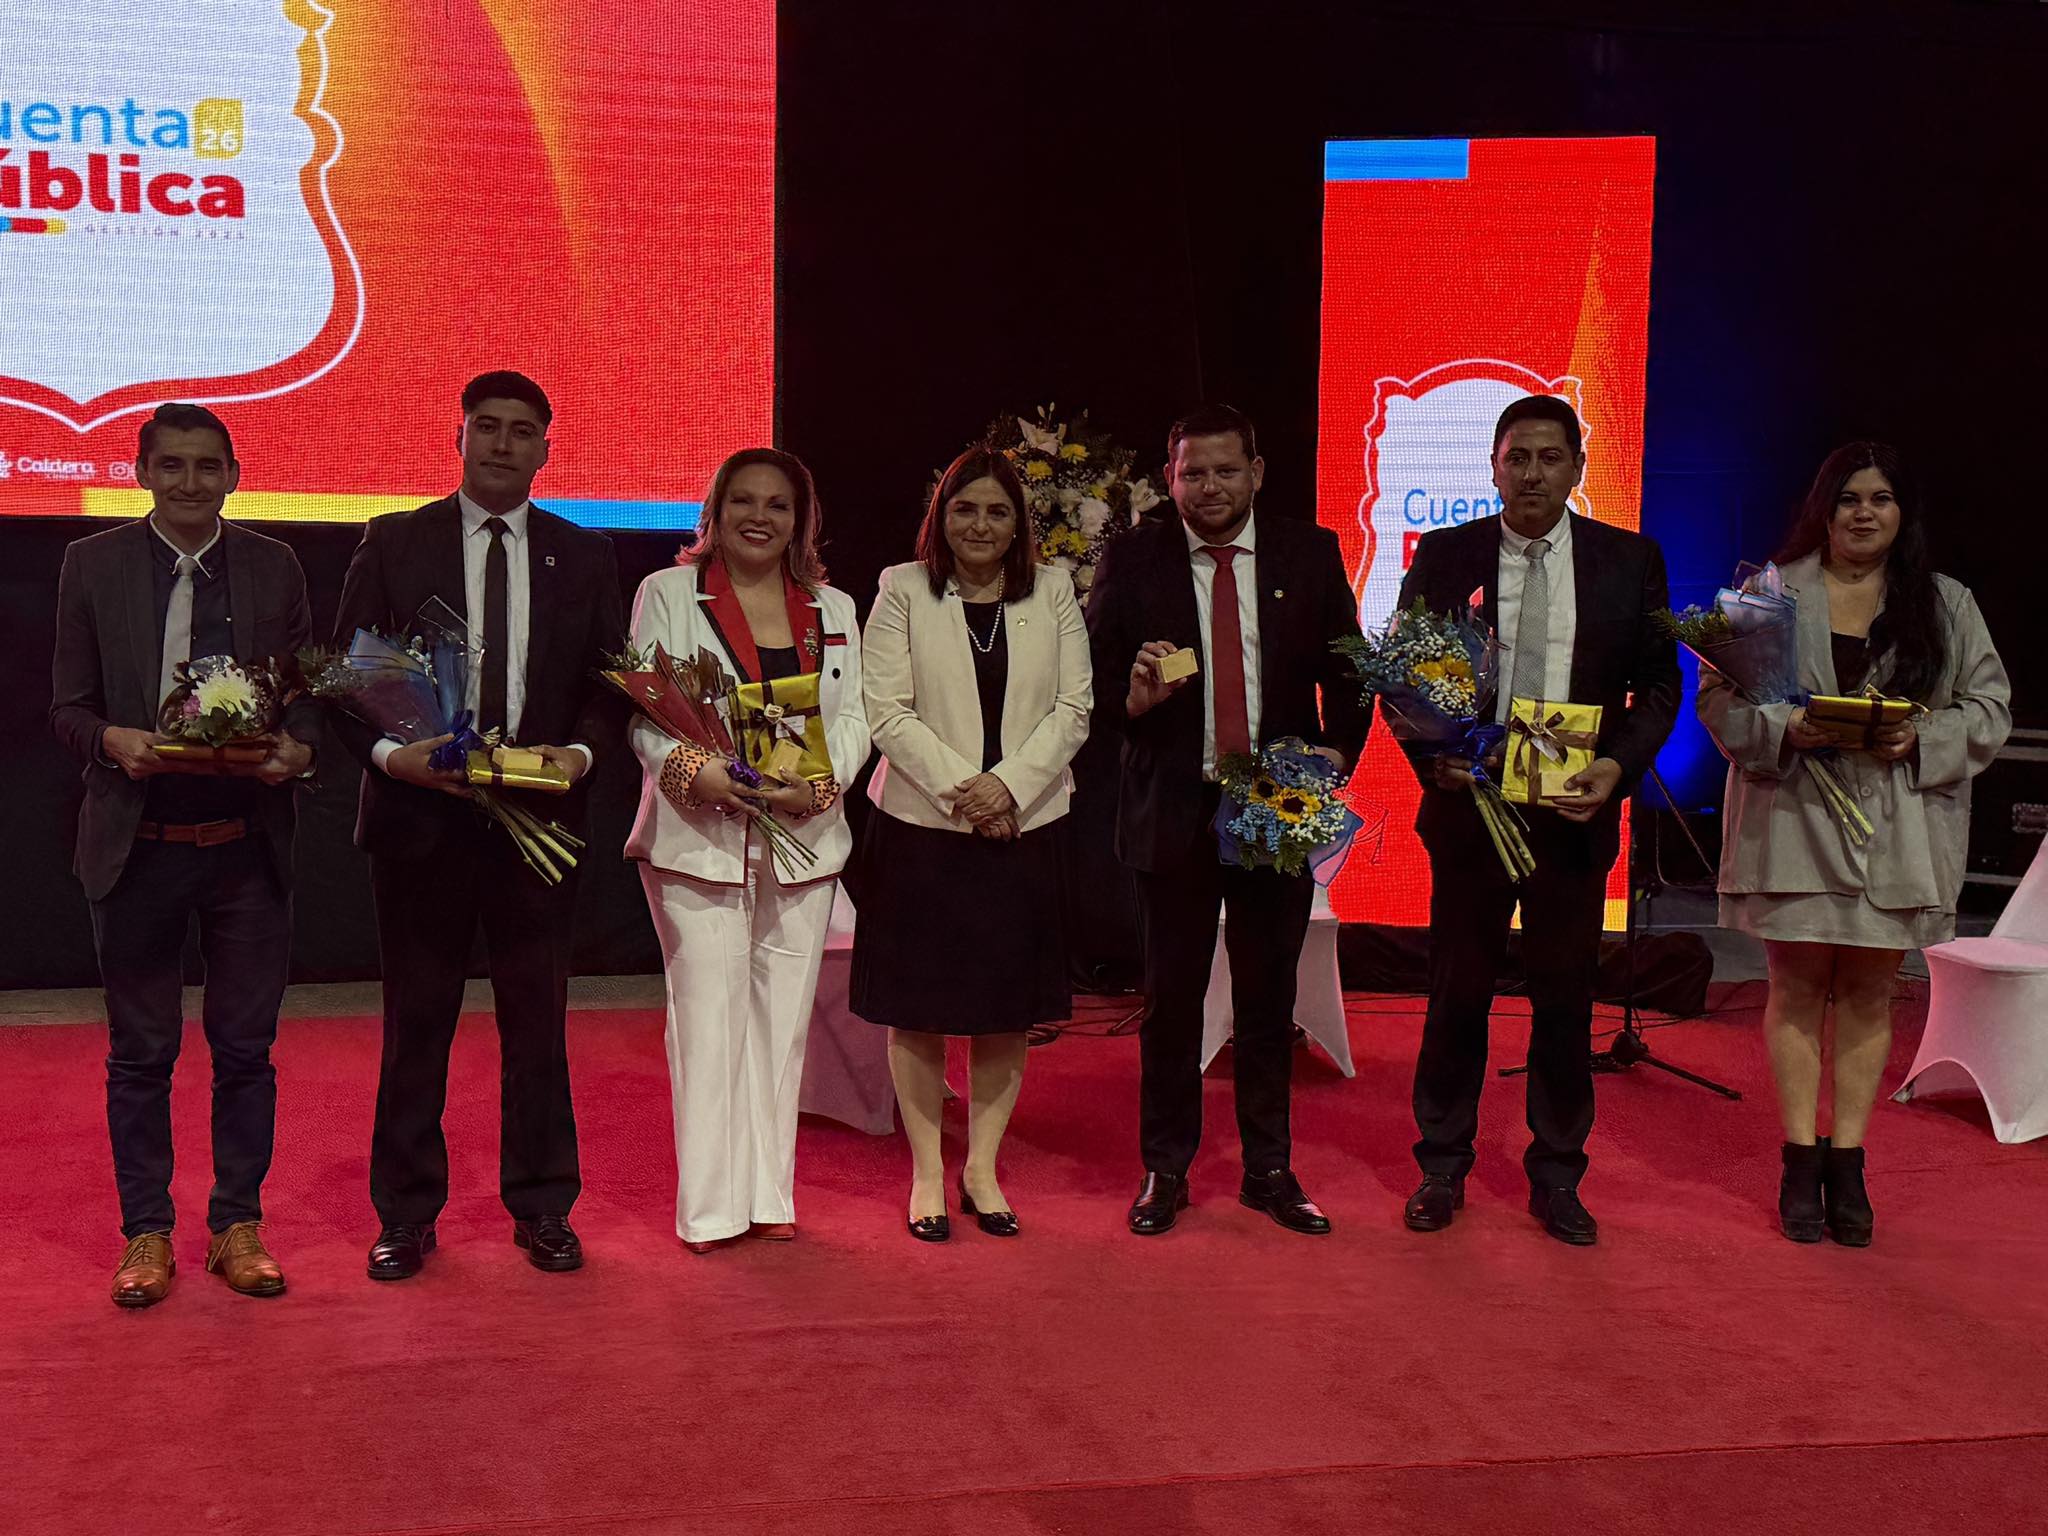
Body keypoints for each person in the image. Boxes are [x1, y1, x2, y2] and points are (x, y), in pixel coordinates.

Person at [332, 370, 625, 1280]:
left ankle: (543, 1206)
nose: (502, 443)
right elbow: (347, 680)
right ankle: (405, 1215)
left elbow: (610, 686)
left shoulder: (583, 556)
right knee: (416, 1027)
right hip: (421, 824)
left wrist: (579, 757)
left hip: (540, 825)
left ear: (546, 450)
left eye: (521, 430)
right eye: (486, 426)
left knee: (537, 1029)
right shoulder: (394, 541)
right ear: (456, 438)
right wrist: (395, 758)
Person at [1698, 442, 2009, 1246]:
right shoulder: (1770, 594)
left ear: (1902, 513)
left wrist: (1921, 738)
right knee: (1797, 986)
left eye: (1880, 499)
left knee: (1871, 993)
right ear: (1824, 508)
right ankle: (1799, 1158)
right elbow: (1720, 699)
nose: (1864, 513)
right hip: (1793, 820)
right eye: (1848, 498)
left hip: (1898, 830)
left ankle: (1848, 1160)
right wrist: (1785, 727)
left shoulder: (1945, 602)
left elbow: (1989, 708)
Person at [50, 403, 319, 1307]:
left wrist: (298, 749)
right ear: (142, 474)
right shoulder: (92, 564)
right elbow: (67, 707)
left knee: (245, 1049)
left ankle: (238, 1225)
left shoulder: (275, 566)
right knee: (141, 1053)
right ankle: (147, 1233)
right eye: (172, 465)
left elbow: (306, 695)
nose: (191, 482)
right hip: (137, 847)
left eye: (208, 466)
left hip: (245, 849)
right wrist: (110, 741)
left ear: (235, 475)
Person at [1397, 395, 1680, 1246]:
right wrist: (1432, 759)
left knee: (1565, 1000)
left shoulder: (1628, 561)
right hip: (1469, 812)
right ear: (1492, 466)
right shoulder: (1446, 555)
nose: (1531, 473)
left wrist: (1616, 769)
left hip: (1572, 817)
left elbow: (1659, 688)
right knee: (1457, 995)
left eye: (1549, 458)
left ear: (1577, 470)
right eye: (1516, 457)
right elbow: (1401, 676)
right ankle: (1441, 1164)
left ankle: (1557, 1173)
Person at [1085, 403, 1367, 1237]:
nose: (1209, 487)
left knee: (1268, 999)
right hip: (1171, 808)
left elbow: (1349, 670)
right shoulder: (1134, 558)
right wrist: (1133, 702)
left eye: (1225, 470)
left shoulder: (1308, 552)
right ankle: (1165, 1169)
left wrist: (1337, 754)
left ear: (1257, 472)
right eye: (1192, 473)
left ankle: (1269, 1168)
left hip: (1275, 810)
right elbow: (1091, 685)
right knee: (1170, 1000)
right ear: (1168, 479)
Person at [625, 448, 870, 1253]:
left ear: (801, 521)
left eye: (778, 505)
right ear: (715, 512)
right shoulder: (667, 593)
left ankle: (768, 1195)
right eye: (743, 501)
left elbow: (855, 718)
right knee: (707, 1018)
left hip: (804, 838)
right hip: (699, 836)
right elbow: (644, 716)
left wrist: (822, 785)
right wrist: (690, 770)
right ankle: (710, 1209)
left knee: (782, 1024)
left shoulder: (834, 607)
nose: (759, 517)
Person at [852, 447, 1093, 1241]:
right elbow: (886, 711)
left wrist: (1009, 789)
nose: (980, 525)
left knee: (1004, 1013)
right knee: (917, 1011)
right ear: (941, 516)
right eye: (965, 509)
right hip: (922, 829)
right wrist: (971, 793)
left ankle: (981, 1169)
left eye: (997, 511)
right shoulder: (901, 588)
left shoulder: (1052, 590)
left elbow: (1074, 709)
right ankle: (927, 1172)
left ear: (1019, 522)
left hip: (1026, 827)